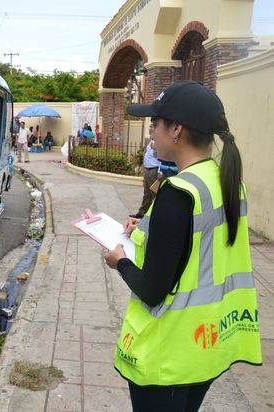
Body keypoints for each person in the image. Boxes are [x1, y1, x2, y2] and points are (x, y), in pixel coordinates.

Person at [104, 81, 261, 412]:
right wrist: (144, 229)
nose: (151, 134)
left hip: (169, 354)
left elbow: (151, 289)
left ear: (176, 129)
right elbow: (198, 245)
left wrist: (119, 261)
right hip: (206, 345)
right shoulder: (224, 180)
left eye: (155, 125)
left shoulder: (177, 192)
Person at [130, 122, 160, 219]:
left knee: (154, 194)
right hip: (147, 169)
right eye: (149, 126)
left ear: (156, 129)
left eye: (152, 126)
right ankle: (142, 213)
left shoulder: (159, 141)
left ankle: (155, 216)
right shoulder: (151, 140)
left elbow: (161, 158)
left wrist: (159, 172)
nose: (149, 128)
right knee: (146, 193)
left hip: (153, 170)